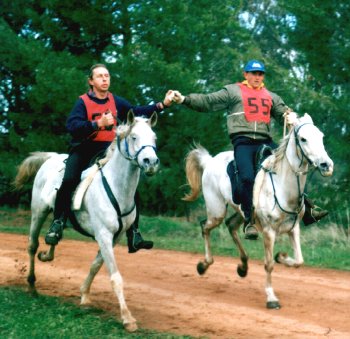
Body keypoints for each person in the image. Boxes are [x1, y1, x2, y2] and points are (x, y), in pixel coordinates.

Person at [172, 60, 328, 240]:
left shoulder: (271, 96)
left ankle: (308, 209)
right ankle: (250, 220)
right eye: (253, 73)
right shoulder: (232, 91)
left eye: (260, 74)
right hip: (243, 142)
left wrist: (289, 116)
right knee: (246, 177)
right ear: (245, 74)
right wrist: (184, 99)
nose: (257, 77)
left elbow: (282, 113)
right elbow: (208, 101)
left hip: (265, 142)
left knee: (292, 167)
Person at [45, 63, 174, 252]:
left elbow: (137, 111)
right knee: (70, 178)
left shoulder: (116, 101)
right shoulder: (82, 102)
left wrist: (162, 104)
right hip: (84, 149)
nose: (105, 79)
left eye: (107, 76)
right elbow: (72, 126)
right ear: (91, 81)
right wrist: (97, 123)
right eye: (100, 76)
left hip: (108, 149)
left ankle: (134, 233)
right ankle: (57, 222)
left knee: (130, 184)